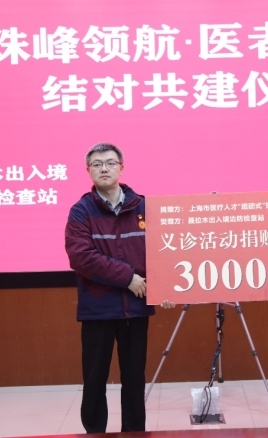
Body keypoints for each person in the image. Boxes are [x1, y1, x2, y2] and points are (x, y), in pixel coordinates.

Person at [65, 142, 155, 433]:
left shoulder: (144, 207)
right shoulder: (81, 211)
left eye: (110, 163)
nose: (104, 168)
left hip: (136, 308)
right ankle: (95, 434)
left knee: (134, 380)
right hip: (98, 309)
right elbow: (81, 257)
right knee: (94, 381)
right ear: (88, 170)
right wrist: (128, 277)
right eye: (97, 164)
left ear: (121, 167)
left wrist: (165, 288)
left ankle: (134, 433)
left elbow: (162, 251)